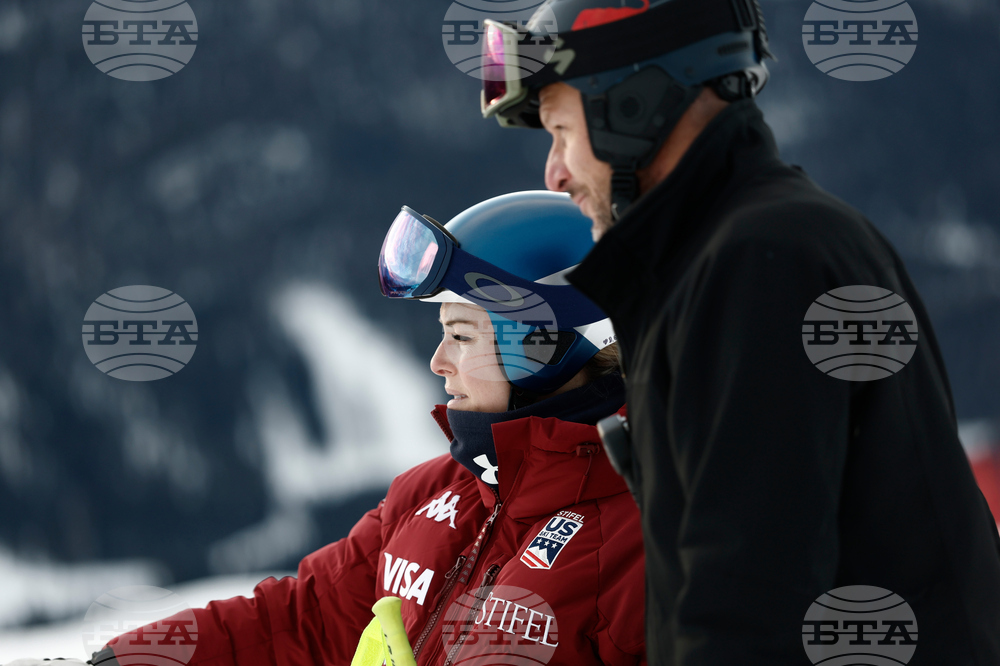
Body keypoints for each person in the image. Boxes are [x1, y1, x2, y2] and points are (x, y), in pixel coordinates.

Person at [478, 0, 1000, 663]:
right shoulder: (746, 249)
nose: (554, 172)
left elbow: (744, 600)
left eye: (559, 129)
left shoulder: (756, 267)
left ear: (630, 106)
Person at [5, 191, 644, 666]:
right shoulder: (429, 495)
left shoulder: (643, 535)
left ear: (543, 343)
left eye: (459, 334)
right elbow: (307, 619)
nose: (437, 362)